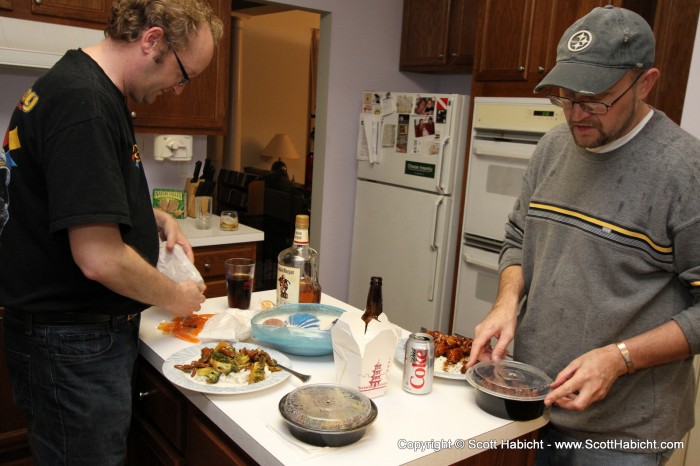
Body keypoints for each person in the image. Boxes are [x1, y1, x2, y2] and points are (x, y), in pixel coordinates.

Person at [466, 6, 700, 465]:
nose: (575, 114)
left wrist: (621, 357)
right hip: (541, 403)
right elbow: (518, 237)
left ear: (645, 82)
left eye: (595, 99)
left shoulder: (684, 172)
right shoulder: (553, 147)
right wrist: (505, 303)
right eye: (566, 96)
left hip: (625, 434)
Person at [0, 0, 223, 464]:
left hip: (64, 341)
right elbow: (98, 257)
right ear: (152, 40)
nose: (181, 90)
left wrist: (152, 217)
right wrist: (175, 296)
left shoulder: (81, 86)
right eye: (184, 75)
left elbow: (75, 198)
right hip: (72, 345)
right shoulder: (86, 105)